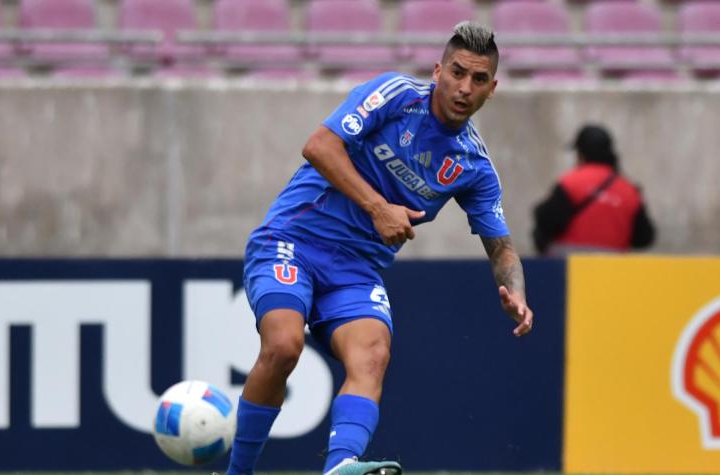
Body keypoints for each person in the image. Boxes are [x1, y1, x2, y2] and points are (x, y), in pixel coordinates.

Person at [228, 21, 534, 475]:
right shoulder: (395, 95)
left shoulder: (474, 165)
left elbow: (502, 248)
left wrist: (517, 293)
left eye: (479, 79)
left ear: (492, 89)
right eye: (457, 72)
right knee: (284, 346)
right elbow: (319, 146)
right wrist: (377, 207)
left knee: (373, 355)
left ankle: (340, 467)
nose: (464, 87)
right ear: (438, 71)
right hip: (293, 241)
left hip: (355, 272)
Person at [531, 124, 656, 255]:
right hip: (614, 263)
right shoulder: (629, 190)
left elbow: (546, 221)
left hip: (570, 262)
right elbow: (644, 238)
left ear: (581, 154)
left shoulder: (571, 182)